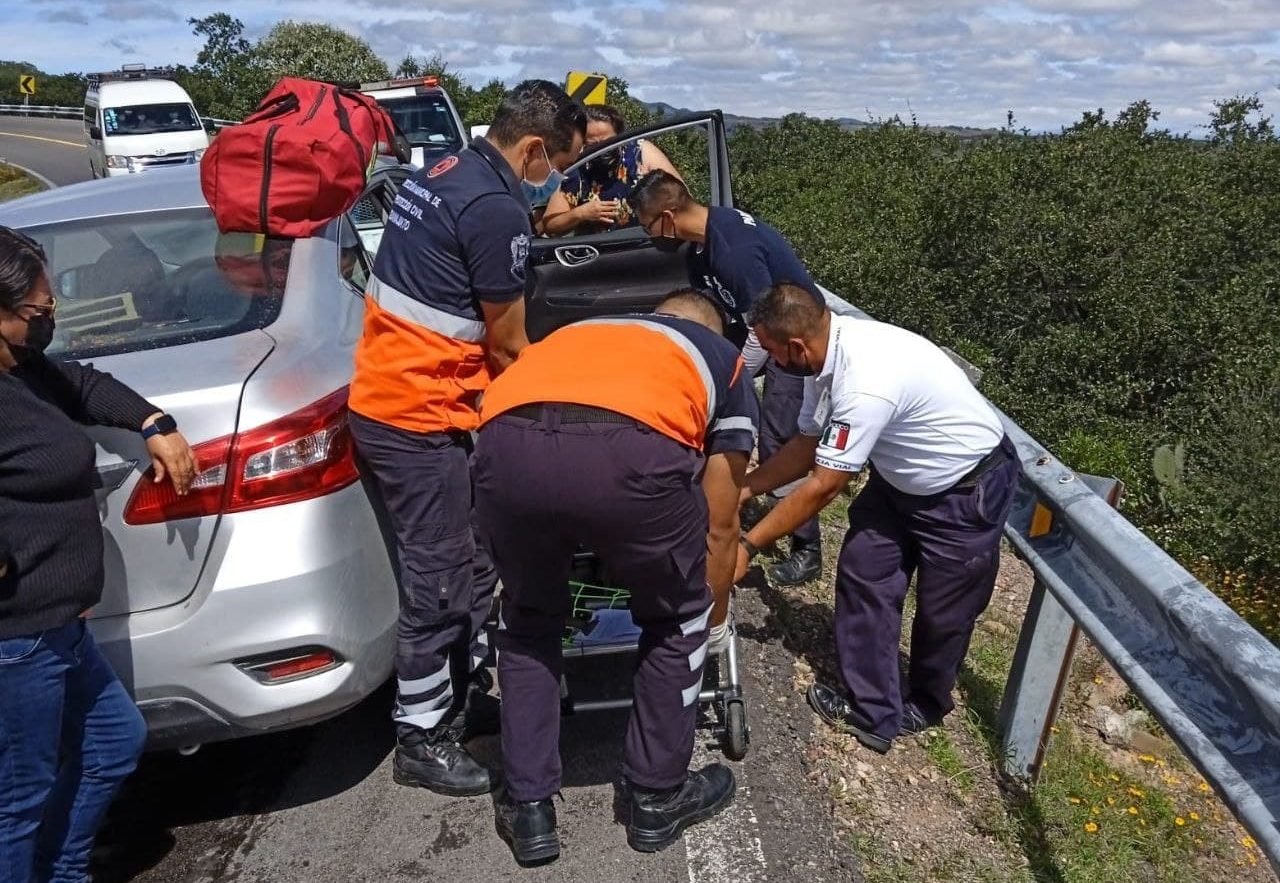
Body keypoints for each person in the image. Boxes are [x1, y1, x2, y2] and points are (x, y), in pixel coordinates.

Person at [347, 80, 586, 797]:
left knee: (476, 563)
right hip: (419, 415)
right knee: (442, 577)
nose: (554, 187)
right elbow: (511, 342)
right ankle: (421, 734)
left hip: (412, 399)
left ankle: (457, 691)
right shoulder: (494, 207)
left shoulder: (446, 170)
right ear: (535, 147)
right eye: (558, 169)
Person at [473, 290, 756, 864]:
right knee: (677, 616)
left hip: (506, 446)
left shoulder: (579, 330)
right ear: (711, 327)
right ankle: (656, 796)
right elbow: (721, 521)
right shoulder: (723, 358)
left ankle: (529, 809)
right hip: (628, 456)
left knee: (528, 620)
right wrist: (714, 614)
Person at [734, 283, 1020, 754]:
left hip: (965, 489)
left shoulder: (865, 380)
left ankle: (927, 703)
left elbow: (824, 485)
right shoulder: (820, 360)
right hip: (898, 480)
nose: (768, 362)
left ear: (795, 345)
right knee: (865, 572)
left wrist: (748, 546)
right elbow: (805, 447)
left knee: (944, 611)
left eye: (768, 351)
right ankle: (875, 712)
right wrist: (744, 489)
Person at [0, 225, 197, 882]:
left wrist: (153, 422)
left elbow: (81, 384)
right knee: (18, 798)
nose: (49, 318)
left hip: (59, 627)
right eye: (38, 312)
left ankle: (64, 871)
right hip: (17, 635)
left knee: (115, 741)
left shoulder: (22, 369)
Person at [630, 169, 825, 585]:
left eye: (649, 228)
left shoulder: (734, 250)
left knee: (778, 437)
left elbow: (764, 328)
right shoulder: (702, 244)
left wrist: (726, 378)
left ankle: (806, 549)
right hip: (767, 337)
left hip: (794, 345)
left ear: (667, 217)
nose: (651, 238)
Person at [540, 104, 681, 236]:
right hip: (596, 254)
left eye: (607, 143)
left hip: (641, 248)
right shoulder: (578, 166)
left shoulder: (640, 153)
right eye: (592, 145)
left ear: (619, 137)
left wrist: (653, 190)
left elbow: (681, 198)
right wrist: (581, 214)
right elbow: (551, 224)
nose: (601, 150)